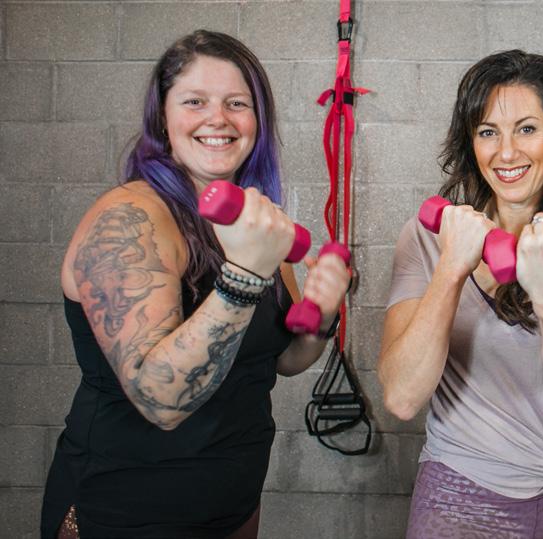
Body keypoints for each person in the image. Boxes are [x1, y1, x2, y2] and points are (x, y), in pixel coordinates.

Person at [41, 30, 350, 538]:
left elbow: (280, 361)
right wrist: (245, 274)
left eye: (237, 103)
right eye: (195, 101)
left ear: (257, 120)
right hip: (123, 513)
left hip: (232, 506)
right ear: (162, 118)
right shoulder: (129, 219)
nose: (218, 118)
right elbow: (160, 401)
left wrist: (322, 315)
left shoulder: (254, 220)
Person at [378, 50, 543, 538]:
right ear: (470, 142)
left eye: (527, 129)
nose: (507, 152)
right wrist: (452, 268)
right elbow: (402, 397)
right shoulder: (428, 238)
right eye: (488, 132)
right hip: (458, 494)